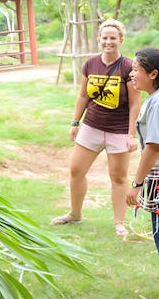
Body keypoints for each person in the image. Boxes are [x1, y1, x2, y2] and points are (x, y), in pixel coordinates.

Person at [51, 19, 141, 237]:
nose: (108, 41)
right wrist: (75, 122)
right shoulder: (90, 64)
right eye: (105, 37)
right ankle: (75, 214)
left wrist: (131, 135)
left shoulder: (128, 66)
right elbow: (83, 96)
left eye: (113, 38)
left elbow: (134, 103)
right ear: (99, 39)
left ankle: (119, 223)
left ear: (121, 40)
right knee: (76, 170)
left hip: (118, 129)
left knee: (118, 177)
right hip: (91, 125)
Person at [126, 48, 159, 252]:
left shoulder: (157, 103)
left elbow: (154, 147)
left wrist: (136, 184)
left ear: (153, 74)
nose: (131, 74)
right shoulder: (153, 99)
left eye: (136, 69)